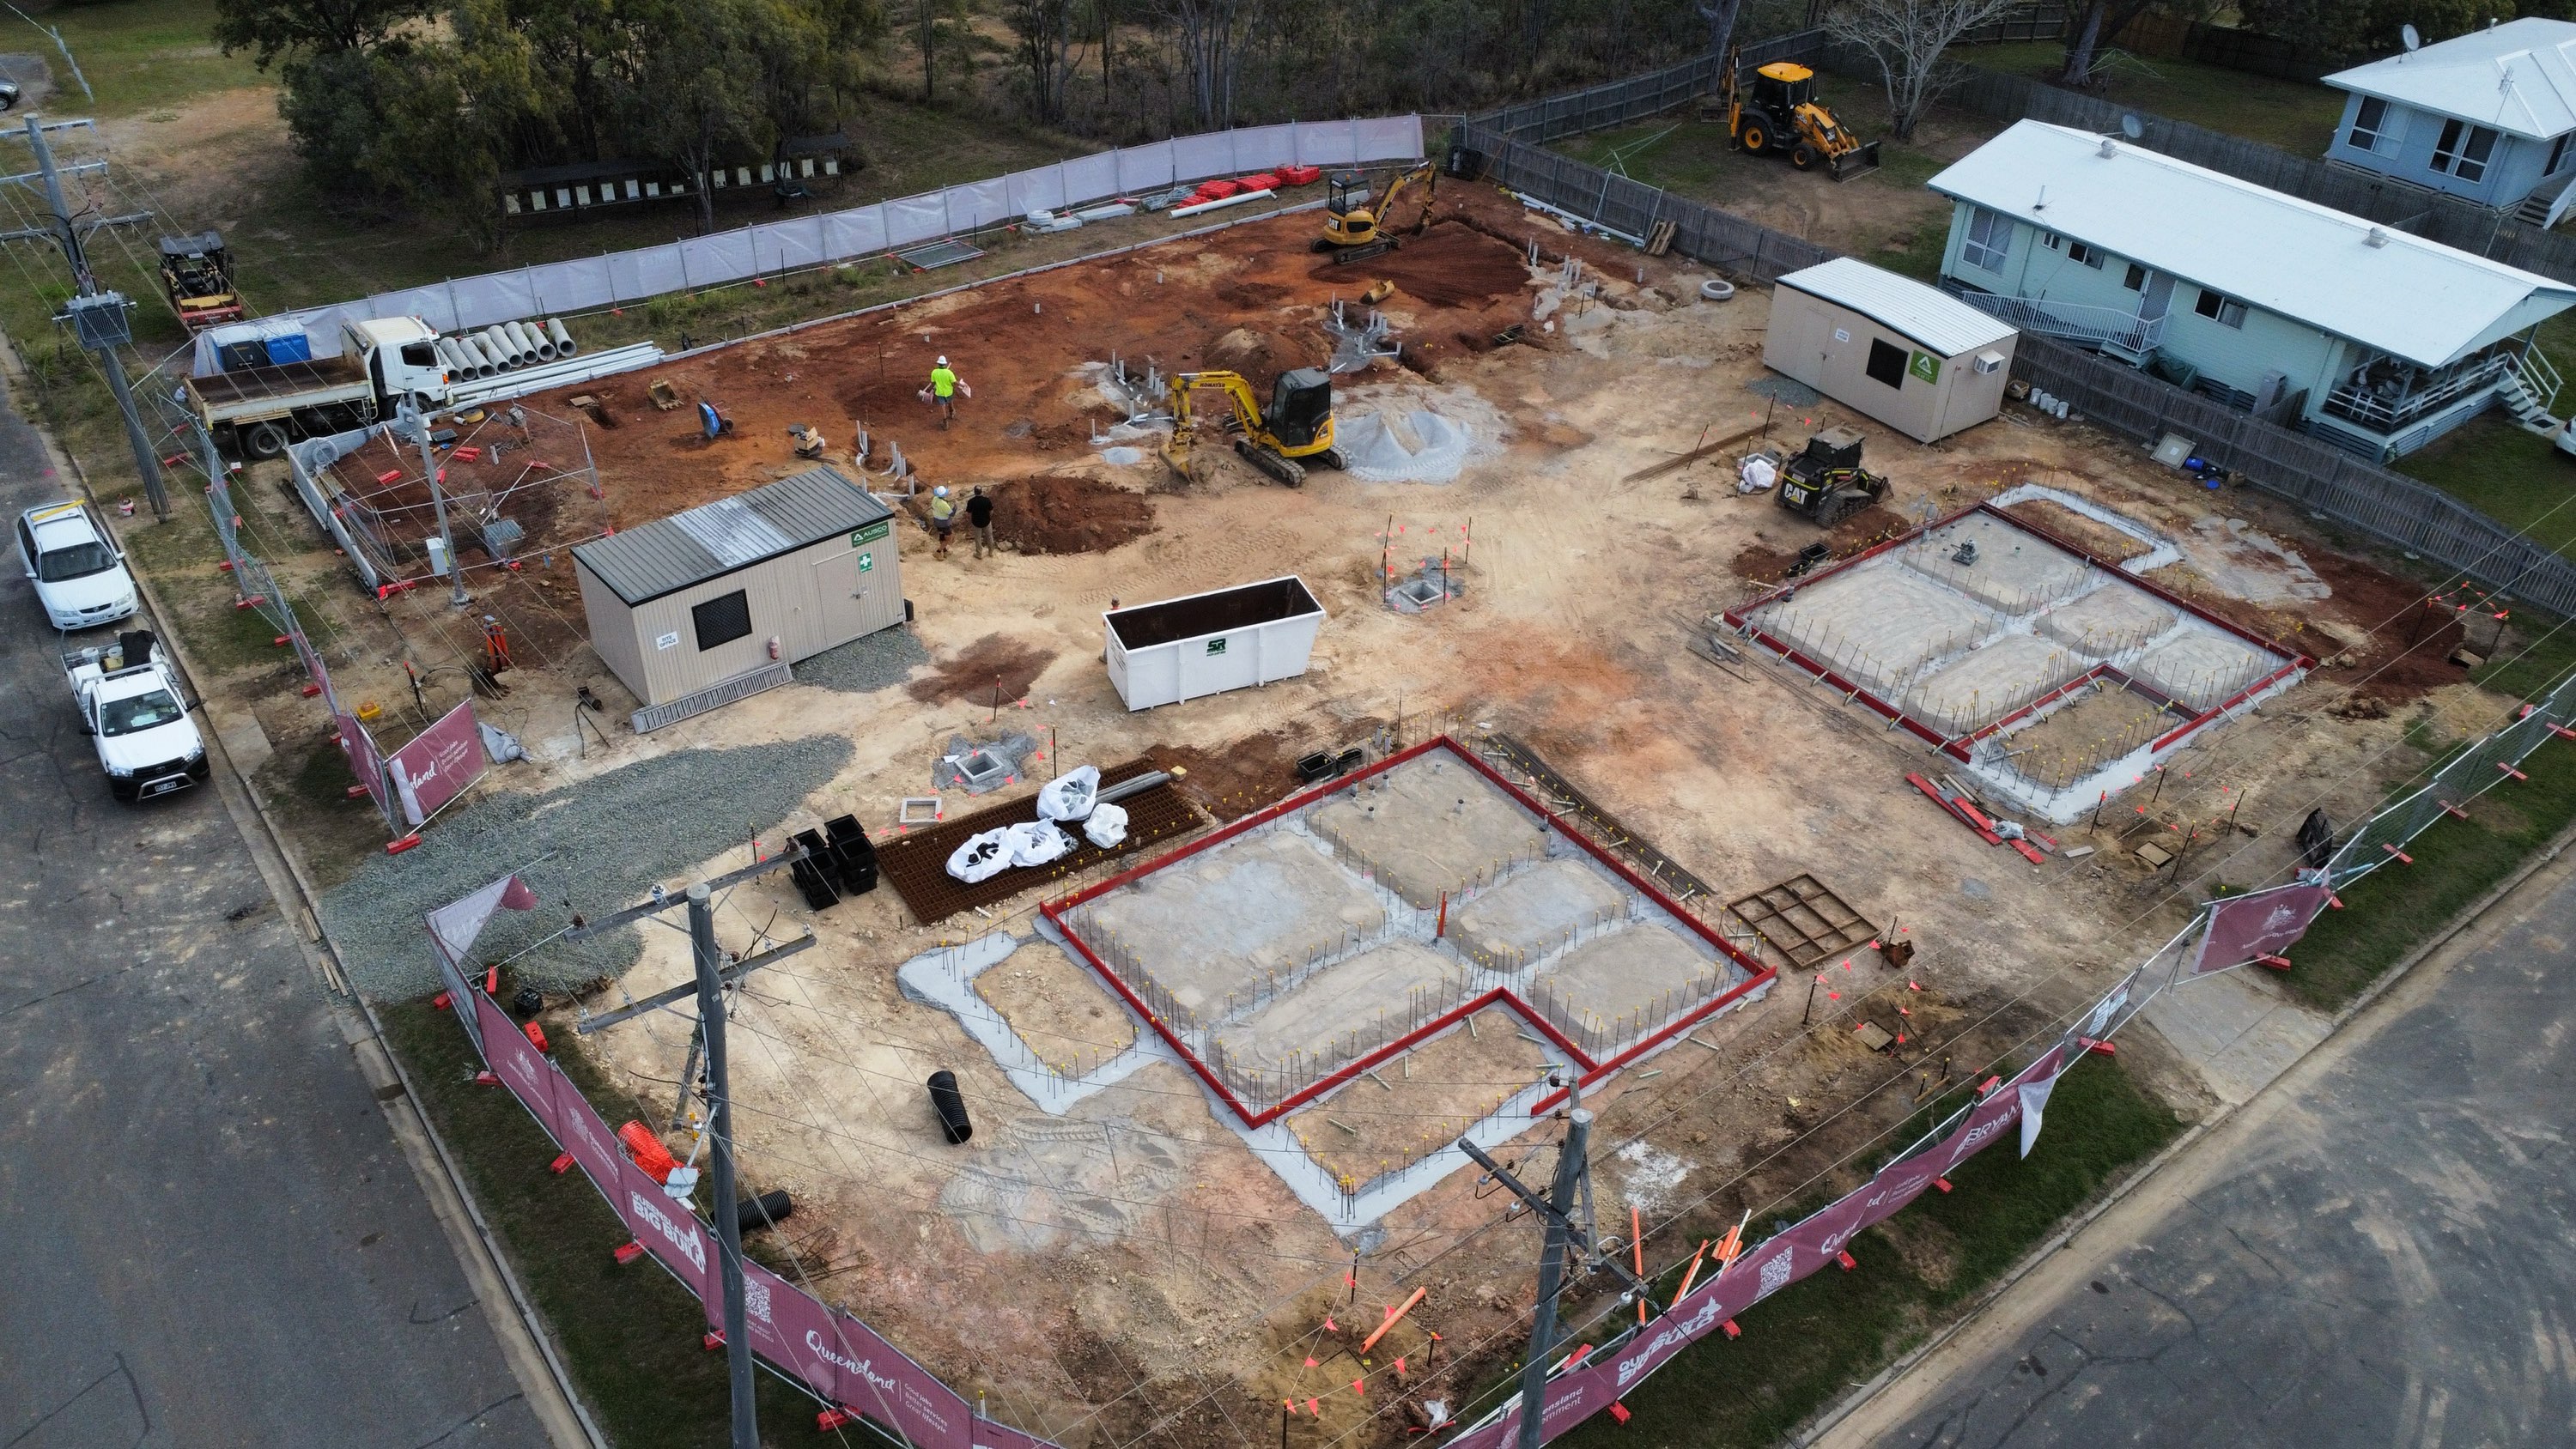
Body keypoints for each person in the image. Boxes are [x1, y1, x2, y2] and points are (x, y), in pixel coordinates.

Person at [927, 355, 965, 429]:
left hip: (939, 393)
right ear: (945, 364)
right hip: (949, 391)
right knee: (950, 401)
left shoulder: (934, 372)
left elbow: (933, 382)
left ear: (938, 363)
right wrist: (962, 385)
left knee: (943, 407)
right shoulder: (949, 373)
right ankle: (952, 412)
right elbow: (954, 382)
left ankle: (945, 423)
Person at [927, 485, 956, 559]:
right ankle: (938, 552)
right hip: (944, 523)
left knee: (942, 536)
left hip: (937, 521)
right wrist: (955, 507)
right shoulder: (943, 504)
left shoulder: (935, 499)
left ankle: (945, 551)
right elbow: (951, 514)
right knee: (949, 538)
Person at [966, 485, 995, 559]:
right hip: (987, 522)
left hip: (976, 523)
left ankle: (979, 554)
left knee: (978, 539)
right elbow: (991, 511)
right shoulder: (987, 500)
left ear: (974, 492)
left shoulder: (971, 501)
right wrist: (989, 518)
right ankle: (991, 552)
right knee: (989, 537)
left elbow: (969, 513)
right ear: (981, 491)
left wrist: (971, 521)